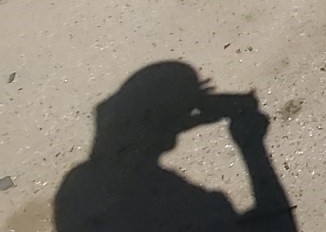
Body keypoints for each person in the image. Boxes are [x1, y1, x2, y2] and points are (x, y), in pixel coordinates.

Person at [54, 62, 297, 232]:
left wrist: (176, 117)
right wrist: (252, 145)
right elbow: (279, 226)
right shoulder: (183, 209)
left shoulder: (79, 187)